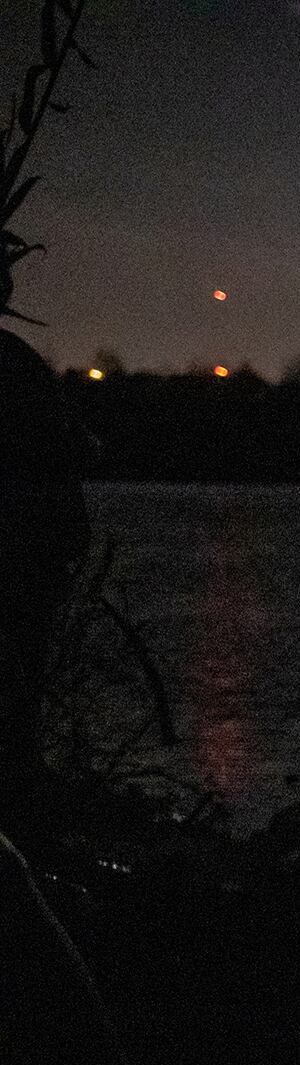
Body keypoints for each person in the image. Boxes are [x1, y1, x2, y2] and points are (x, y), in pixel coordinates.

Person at [0, 274, 99, 837]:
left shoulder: (18, 364)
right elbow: (75, 446)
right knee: (17, 694)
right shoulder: (18, 366)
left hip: (34, 553)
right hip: (28, 558)